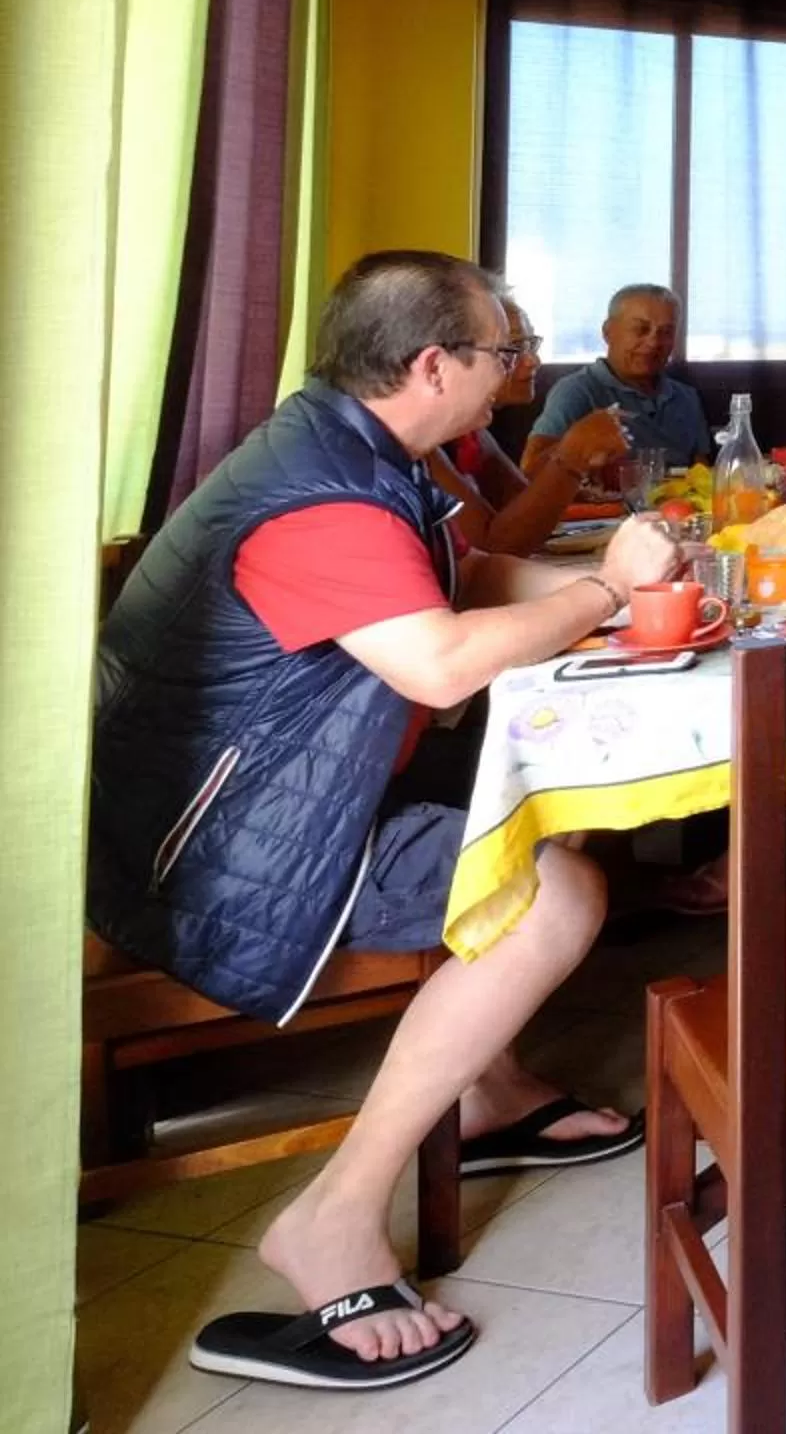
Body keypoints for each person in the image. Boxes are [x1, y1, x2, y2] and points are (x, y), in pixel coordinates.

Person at [92, 251, 681, 1388]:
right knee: (555, 889)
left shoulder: (349, 448)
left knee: (553, 803)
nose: (516, 370)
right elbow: (441, 661)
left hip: (268, 792)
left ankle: (489, 1084)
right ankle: (334, 1214)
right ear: (430, 363)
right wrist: (605, 592)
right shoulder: (324, 497)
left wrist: (618, 593)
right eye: (501, 352)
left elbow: (463, 580)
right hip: (211, 848)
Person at [425, 297, 627, 555]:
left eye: (531, 345)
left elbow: (521, 505)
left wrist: (571, 461)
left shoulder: (471, 430)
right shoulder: (421, 442)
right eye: (513, 348)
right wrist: (573, 454)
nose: (533, 361)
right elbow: (495, 547)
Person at [524, 282, 710, 473]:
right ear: (607, 332)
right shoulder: (577, 391)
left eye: (666, 332)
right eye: (641, 329)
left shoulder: (686, 397)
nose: (654, 342)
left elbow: (702, 474)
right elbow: (530, 468)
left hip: (679, 500)